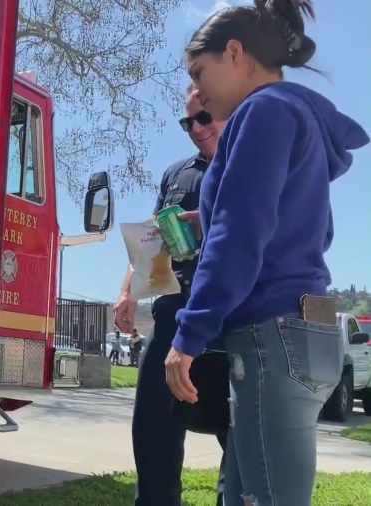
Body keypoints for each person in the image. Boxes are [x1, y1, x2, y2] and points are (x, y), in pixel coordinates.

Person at [165, 1, 370, 505]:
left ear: (234, 52)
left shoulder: (263, 111)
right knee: (241, 494)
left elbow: (241, 234)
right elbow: (311, 231)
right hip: (309, 331)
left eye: (199, 71)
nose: (200, 90)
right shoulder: (299, 117)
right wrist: (210, 218)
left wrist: (188, 335)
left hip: (269, 337)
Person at [114, 84, 228, 506]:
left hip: (227, 319)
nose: (196, 129)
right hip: (171, 315)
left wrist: (203, 221)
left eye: (205, 117)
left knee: (237, 439)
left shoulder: (250, 167)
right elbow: (151, 239)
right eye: (188, 122)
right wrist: (126, 292)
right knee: (153, 433)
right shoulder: (175, 174)